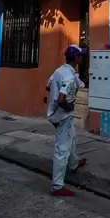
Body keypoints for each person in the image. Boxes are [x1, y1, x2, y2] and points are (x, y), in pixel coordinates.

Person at [47, 45, 88, 196]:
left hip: (55, 113)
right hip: (62, 115)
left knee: (71, 137)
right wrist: (69, 106)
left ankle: (74, 164)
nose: (82, 58)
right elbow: (61, 99)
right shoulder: (69, 77)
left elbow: (48, 85)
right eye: (80, 56)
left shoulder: (59, 71)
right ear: (76, 58)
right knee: (62, 149)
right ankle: (57, 186)